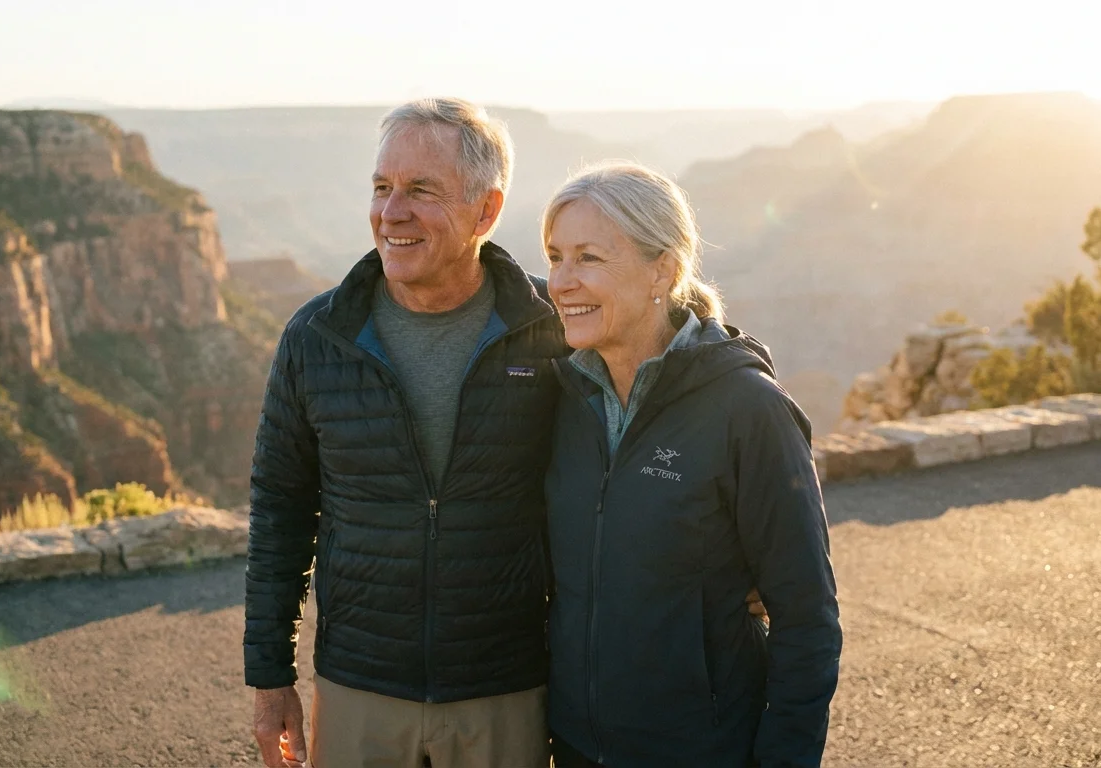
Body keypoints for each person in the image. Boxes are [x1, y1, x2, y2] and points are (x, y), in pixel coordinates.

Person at [245, 98, 567, 768]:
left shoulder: (553, 330)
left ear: (486, 210)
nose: (392, 213)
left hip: (505, 686)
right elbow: (280, 510)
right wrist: (270, 676)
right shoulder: (317, 337)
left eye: (422, 190)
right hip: (360, 685)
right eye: (382, 188)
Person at [541, 162, 842, 767]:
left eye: (589, 258)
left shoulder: (748, 409)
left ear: (664, 271)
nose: (561, 282)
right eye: (555, 256)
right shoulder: (559, 397)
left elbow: (807, 619)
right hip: (575, 747)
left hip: (702, 750)